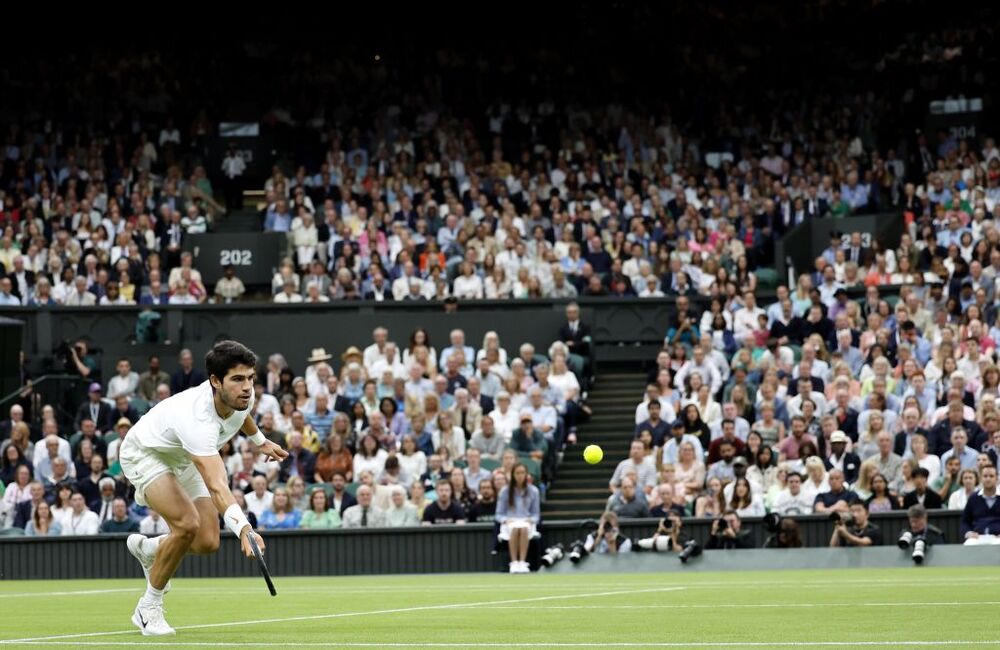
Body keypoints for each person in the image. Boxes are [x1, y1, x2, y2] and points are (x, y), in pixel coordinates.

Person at [118, 341, 287, 636]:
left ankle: (150, 549)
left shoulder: (239, 395)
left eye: (250, 378)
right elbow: (217, 485)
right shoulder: (197, 420)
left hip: (183, 457)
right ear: (215, 381)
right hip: (146, 453)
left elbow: (241, 414)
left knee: (207, 541)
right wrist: (245, 529)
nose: (247, 388)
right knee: (186, 524)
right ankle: (148, 608)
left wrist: (261, 441)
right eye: (237, 379)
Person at [495, 463, 541, 572]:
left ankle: (522, 562)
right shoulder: (505, 491)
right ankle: (514, 562)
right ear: (513, 475)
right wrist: (505, 520)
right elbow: (499, 514)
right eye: (517, 473)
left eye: (522, 473)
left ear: (526, 475)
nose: (520, 476)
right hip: (510, 522)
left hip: (526, 521)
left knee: (524, 528)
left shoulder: (534, 491)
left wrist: (532, 520)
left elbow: (536, 514)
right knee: (515, 529)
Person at [961, 465, 1000, 545]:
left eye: (991, 476)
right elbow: (965, 521)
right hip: (977, 537)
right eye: (985, 476)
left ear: (997, 479)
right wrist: (968, 533)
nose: (988, 479)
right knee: (969, 544)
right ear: (981, 478)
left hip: (998, 538)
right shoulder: (973, 498)